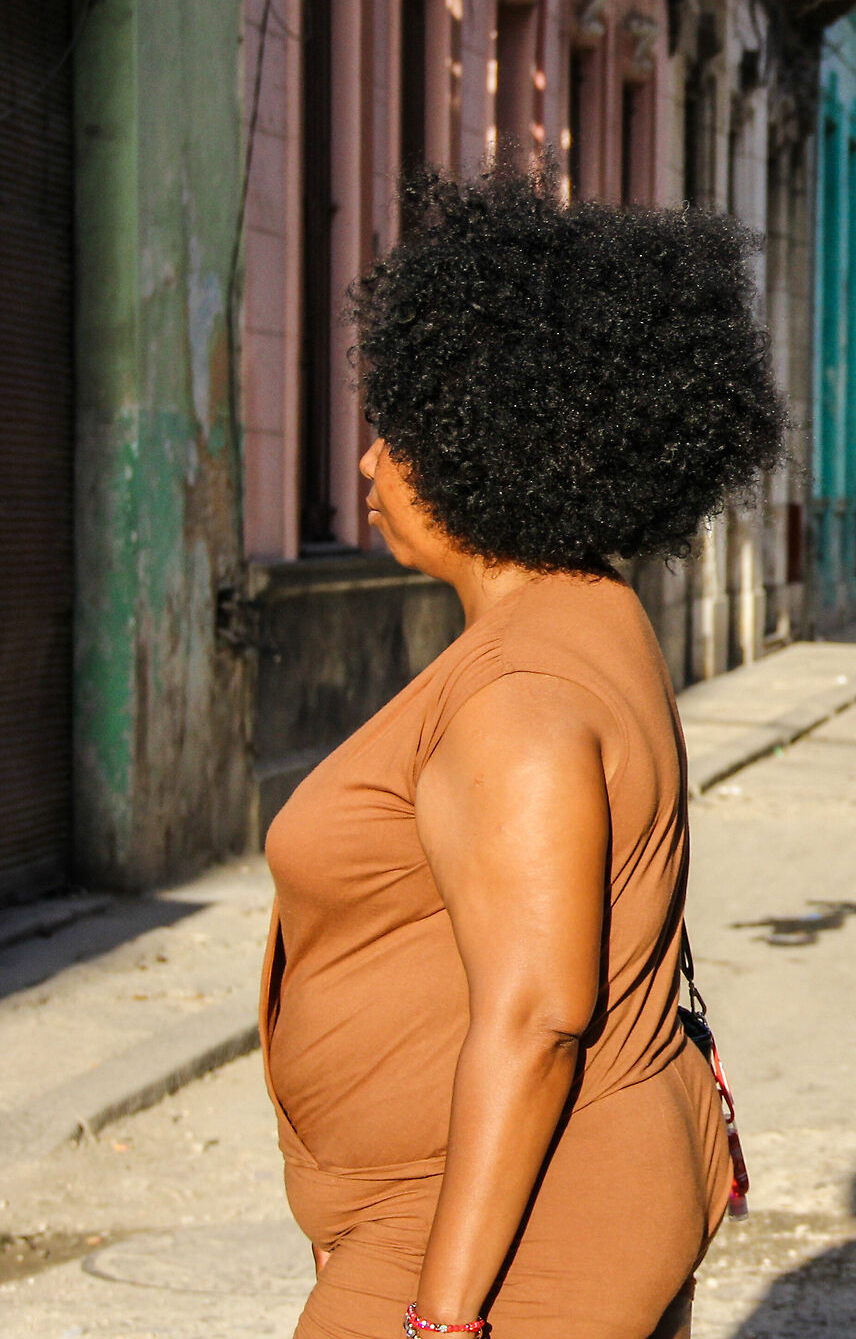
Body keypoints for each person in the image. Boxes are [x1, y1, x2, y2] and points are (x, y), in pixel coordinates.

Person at [266, 169, 780, 1339]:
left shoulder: (520, 693)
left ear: (482, 442)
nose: (369, 465)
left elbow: (538, 1015)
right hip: (529, 1190)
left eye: (397, 435)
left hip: (508, 1225)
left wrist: (442, 1319)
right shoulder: (585, 612)